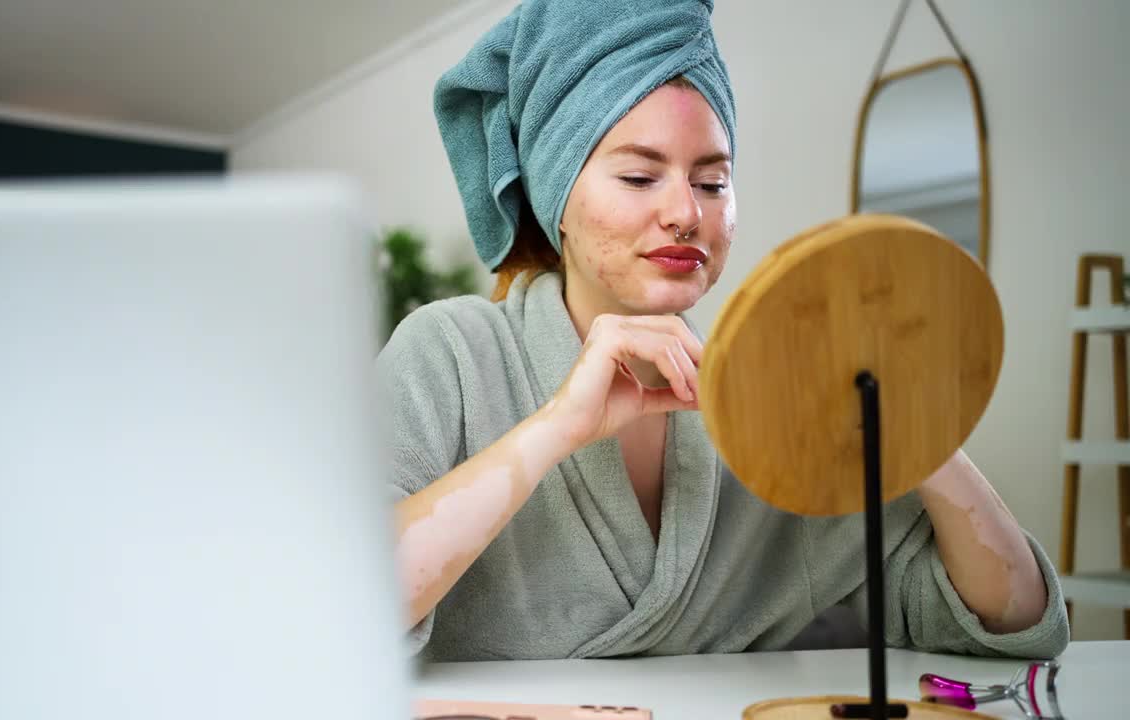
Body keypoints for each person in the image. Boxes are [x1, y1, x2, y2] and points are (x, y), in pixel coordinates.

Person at [381, 0, 1068, 662]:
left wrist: (918, 433)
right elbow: (340, 598)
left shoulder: (782, 403)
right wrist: (556, 427)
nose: (685, 212)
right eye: (640, 176)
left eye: (712, 184)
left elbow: (1013, 621)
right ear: (555, 194)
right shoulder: (449, 354)